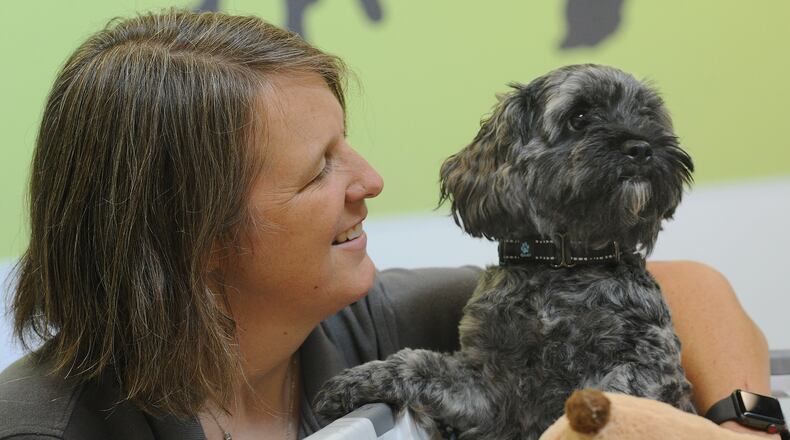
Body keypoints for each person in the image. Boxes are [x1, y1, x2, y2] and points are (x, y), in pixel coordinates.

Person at [0, 10, 776, 440]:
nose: (370, 181)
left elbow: (683, 287)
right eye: (319, 170)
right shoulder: (47, 427)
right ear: (191, 231)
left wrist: (743, 425)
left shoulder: (365, 321)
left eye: (349, 145)